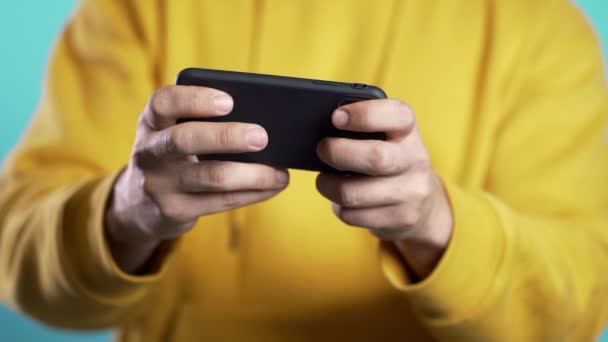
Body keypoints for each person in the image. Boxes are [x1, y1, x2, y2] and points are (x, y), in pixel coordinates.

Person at [1, 0, 607, 340]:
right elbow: (17, 262)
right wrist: (124, 214)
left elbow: (579, 304)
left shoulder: (539, 29)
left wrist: (439, 227)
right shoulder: (134, 10)